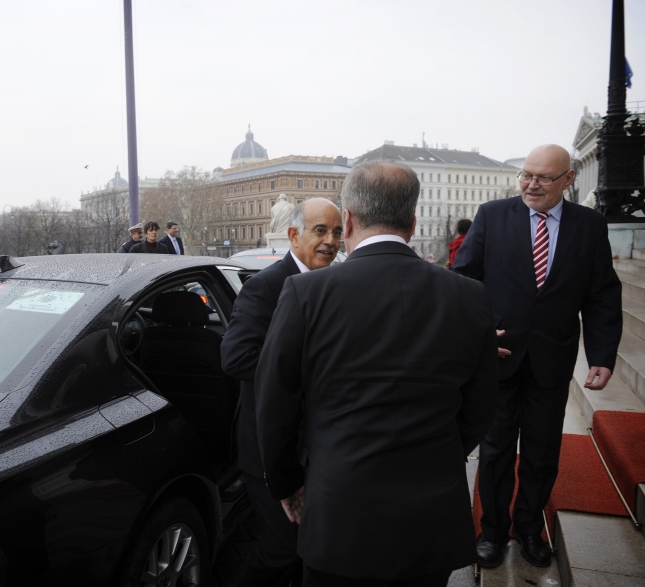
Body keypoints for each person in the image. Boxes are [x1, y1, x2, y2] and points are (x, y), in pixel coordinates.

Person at [254, 161, 498, 586]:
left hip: (339, 511)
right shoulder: (468, 295)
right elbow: (481, 403)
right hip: (431, 514)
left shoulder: (307, 293)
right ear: (413, 220)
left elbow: (275, 403)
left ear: (347, 219)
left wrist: (287, 484)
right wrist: (439, 452)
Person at [452, 144, 623, 569]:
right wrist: (478, 334)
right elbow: (464, 280)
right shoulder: (493, 216)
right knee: (494, 451)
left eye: (543, 177)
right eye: (526, 174)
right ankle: (492, 531)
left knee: (543, 451)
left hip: (552, 359)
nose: (531, 183)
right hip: (499, 356)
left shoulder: (589, 225)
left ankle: (529, 528)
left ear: (568, 179)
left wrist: (602, 354)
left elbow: (602, 294)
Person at [221, 197, 342, 586]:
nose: (330, 241)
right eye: (320, 230)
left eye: (337, 232)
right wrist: (312, 372)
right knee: (283, 548)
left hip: (320, 448)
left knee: (309, 546)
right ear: (293, 234)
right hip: (269, 449)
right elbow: (237, 358)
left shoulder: (338, 284)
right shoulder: (265, 287)